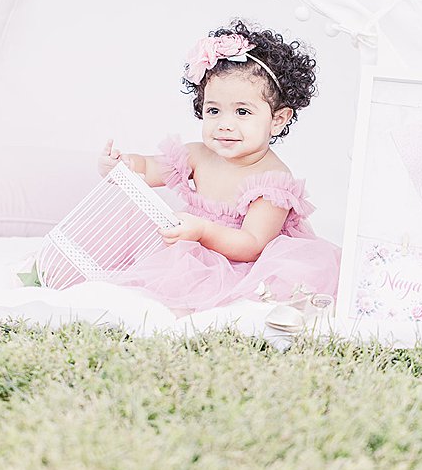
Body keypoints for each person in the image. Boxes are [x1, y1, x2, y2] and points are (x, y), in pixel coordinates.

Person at [97, 21, 340, 314]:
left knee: (231, 308)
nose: (225, 124)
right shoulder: (199, 154)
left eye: (242, 112)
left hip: (242, 266)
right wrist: (122, 165)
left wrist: (202, 230)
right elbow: (149, 169)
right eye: (214, 110)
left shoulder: (273, 182)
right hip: (194, 251)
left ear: (278, 119)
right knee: (141, 285)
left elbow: (251, 244)